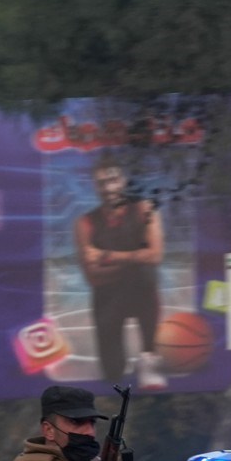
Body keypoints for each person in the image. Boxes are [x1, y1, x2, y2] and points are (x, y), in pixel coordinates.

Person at [75, 156, 166, 391]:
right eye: (102, 183)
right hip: (108, 299)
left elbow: (156, 256)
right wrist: (136, 258)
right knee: (112, 374)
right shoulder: (85, 223)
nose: (109, 188)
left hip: (140, 291)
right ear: (95, 187)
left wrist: (108, 257)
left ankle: (149, 356)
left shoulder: (145, 210)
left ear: (123, 181)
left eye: (113, 180)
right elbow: (93, 277)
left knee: (147, 279)